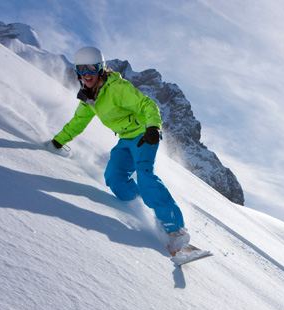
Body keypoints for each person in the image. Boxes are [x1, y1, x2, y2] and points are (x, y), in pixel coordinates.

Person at [50, 46, 189, 255]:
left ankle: (176, 231)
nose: (87, 74)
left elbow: (147, 105)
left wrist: (153, 127)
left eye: (91, 68)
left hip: (144, 136)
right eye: (81, 69)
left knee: (145, 175)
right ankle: (138, 204)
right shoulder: (89, 98)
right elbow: (78, 122)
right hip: (125, 140)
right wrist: (59, 141)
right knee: (114, 177)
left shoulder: (117, 88)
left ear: (101, 68)